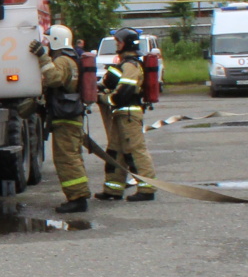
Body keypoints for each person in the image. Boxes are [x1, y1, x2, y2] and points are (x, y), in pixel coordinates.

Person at [34, 24, 90, 213]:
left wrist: (42, 57)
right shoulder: (71, 58)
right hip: (70, 116)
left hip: (65, 117)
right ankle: (78, 195)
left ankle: (77, 198)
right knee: (72, 157)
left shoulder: (64, 61)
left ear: (55, 40)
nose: (46, 44)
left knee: (66, 159)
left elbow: (55, 79)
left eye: (48, 41)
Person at [96, 29, 156, 201]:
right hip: (120, 115)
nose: (116, 45)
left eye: (118, 42)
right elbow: (110, 84)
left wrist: (103, 98)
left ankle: (147, 189)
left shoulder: (131, 66)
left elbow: (123, 94)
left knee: (135, 151)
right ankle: (113, 189)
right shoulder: (123, 64)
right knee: (115, 151)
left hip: (129, 114)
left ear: (127, 44)